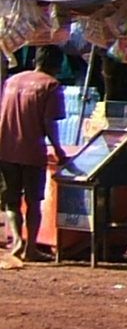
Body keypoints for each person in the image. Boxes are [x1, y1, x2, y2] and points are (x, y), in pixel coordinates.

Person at [0, 49, 68, 252]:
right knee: (33, 200)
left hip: (5, 149)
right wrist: (58, 149)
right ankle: (30, 247)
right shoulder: (51, 86)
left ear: (34, 60)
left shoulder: (12, 81)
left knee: (11, 199)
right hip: (32, 151)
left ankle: (17, 239)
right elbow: (49, 123)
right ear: (57, 66)